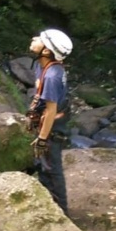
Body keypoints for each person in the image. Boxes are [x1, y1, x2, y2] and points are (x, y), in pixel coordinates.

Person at [26, 29, 73, 213]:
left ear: (46, 50)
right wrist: (33, 115)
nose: (34, 38)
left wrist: (43, 138)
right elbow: (40, 95)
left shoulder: (53, 75)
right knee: (41, 164)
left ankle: (62, 210)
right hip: (44, 117)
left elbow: (51, 110)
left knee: (52, 167)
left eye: (40, 39)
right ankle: (47, 203)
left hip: (53, 123)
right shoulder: (41, 64)